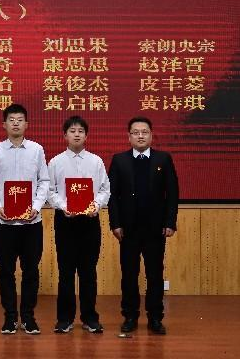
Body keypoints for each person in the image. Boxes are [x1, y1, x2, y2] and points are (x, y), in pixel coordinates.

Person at [0, 103, 50, 335]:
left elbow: (44, 182)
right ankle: (10, 317)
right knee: (6, 271)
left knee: (31, 271)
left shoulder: (37, 150)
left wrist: (36, 207)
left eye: (20, 120)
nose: (16, 123)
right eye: (11, 120)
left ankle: (28, 317)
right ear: (4, 124)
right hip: (4, 223)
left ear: (27, 124)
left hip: (32, 223)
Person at [108, 116, 178, 335]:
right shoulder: (119, 160)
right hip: (128, 229)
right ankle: (130, 316)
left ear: (151, 135)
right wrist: (115, 223)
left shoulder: (163, 159)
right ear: (129, 136)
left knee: (155, 274)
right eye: (136, 132)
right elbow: (112, 196)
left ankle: (155, 317)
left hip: (155, 228)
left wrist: (170, 222)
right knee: (129, 274)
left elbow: (172, 193)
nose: (140, 136)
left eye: (144, 132)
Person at [47, 115, 110, 335]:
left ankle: (90, 318)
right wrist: (64, 206)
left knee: (88, 272)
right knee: (65, 272)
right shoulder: (55, 162)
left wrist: (96, 205)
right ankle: (64, 319)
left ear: (86, 136)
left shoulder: (96, 161)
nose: (76, 134)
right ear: (65, 135)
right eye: (72, 131)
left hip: (90, 222)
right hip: (65, 221)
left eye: (80, 131)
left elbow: (105, 190)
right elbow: (50, 191)